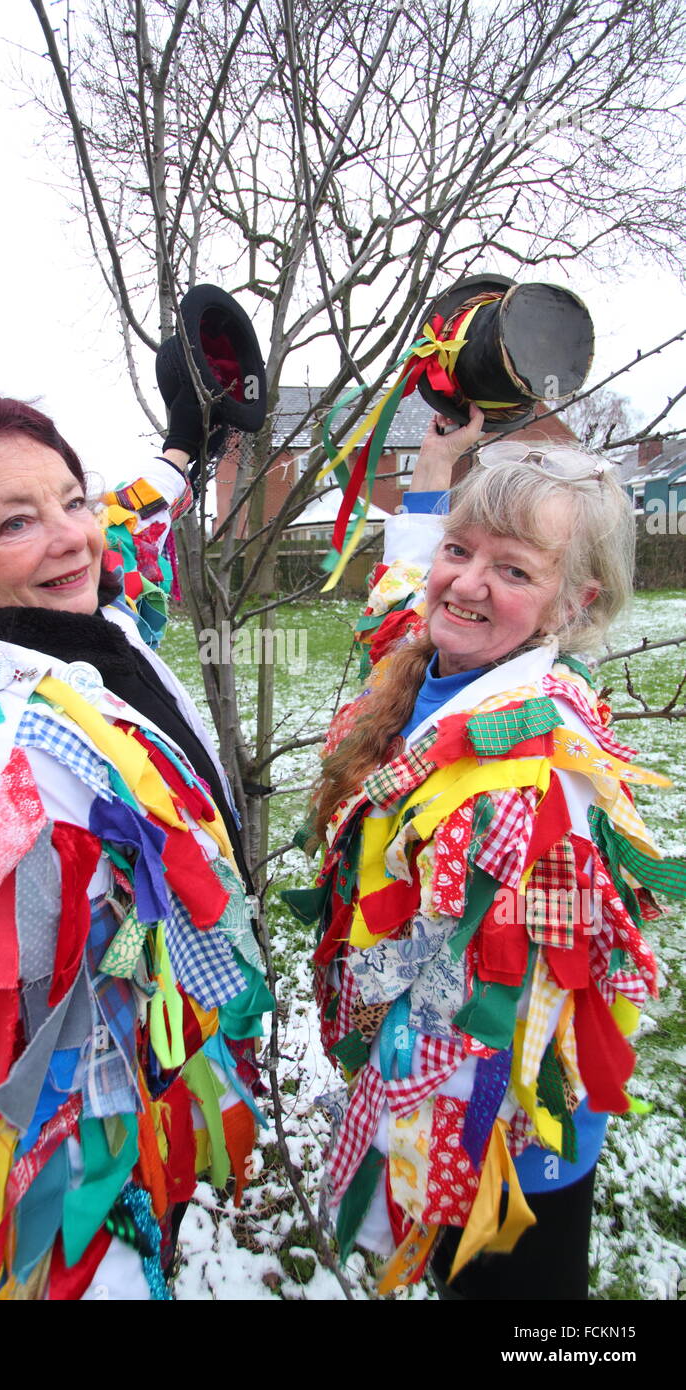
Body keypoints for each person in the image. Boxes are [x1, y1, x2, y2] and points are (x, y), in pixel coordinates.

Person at [0, 387, 272, 1300]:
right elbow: (39, 1044)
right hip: (97, 1126)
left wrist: (190, 448)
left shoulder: (78, 619)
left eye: (74, 498)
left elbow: (127, 535)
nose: (73, 538)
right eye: (17, 521)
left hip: (170, 1058)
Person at [292, 404, 683, 1300]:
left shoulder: (532, 764)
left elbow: (504, 994)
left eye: (513, 569)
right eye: (459, 550)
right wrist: (436, 463)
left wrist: (418, 1115)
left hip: (504, 1137)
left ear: (574, 603)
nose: (464, 583)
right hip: (430, 1108)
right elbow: (404, 597)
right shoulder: (441, 663)